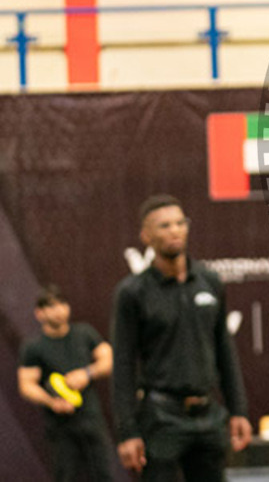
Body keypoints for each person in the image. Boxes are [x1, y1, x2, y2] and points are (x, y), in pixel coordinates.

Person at [111, 194, 252, 480]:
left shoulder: (209, 281)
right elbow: (123, 364)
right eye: (164, 226)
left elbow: (224, 349)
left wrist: (238, 410)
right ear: (146, 236)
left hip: (208, 415)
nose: (174, 230)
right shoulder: (133, 292)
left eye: (179, 223)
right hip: (161, 418)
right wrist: (128, 431)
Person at [18, 285, 116, 482]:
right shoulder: (34, 348)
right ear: (40, 313)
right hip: (60, 427)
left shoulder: (84, 333)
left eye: (62, 304)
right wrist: (52, 402)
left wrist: (87, 373)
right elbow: (26, 385)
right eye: (52, 306)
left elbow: (109, 360)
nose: (59, 310)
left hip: (91, 420)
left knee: (104, 475)